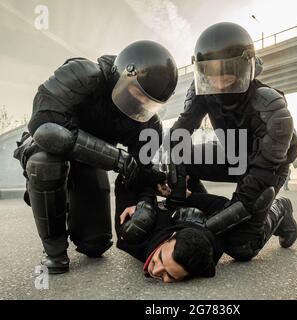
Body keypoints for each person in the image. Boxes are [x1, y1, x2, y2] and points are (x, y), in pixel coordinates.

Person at [13, 40, 177, 273]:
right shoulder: (84, 74)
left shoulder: (148, 125)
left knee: (95, 244)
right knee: (46, 156)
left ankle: (70, 200)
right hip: (45, 146)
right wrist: (118, 160)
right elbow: (43, 124)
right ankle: (54, 250)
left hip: (90, 161)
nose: (139, 104)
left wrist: (148, 190)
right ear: (122, 74)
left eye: (148, 102)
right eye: (136, 93)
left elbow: (138, 171)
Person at [164, 23, 297, 260]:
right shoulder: (202, 89)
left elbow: (260, 174)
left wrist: (224, 218)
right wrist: (177, 183)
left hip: (268, 166)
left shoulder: (271, 106)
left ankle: (281, 210)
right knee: (182, 156)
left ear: (244, 70)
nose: (218, 86)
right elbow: (180, 132)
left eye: (226, 79)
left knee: (240, 246)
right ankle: (195, 205)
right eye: (212, 79)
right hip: (232, 152)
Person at [116, 180, 297, 282]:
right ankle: (280, 208)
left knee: (243, 245)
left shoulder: (133, 237)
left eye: (168, 275)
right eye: (162, 262)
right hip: (185, 207)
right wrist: (144, 205)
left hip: (192, 203)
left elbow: (125, 181)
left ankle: (280, 207)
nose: (156, 272)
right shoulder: (140, 227)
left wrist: (190, 196)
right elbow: (131, 176)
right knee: (243, 248)